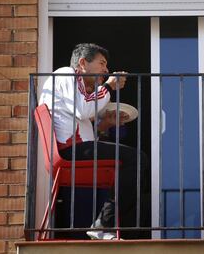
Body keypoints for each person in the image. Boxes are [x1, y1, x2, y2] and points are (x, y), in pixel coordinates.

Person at [39, 43, 150, 240]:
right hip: (70, 151)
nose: (106, 70)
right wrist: (109, 85)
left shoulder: (72, 85)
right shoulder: (67, 73)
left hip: (73, 148)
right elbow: (84, 110)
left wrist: (105, 124)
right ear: (82, 63)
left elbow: (81, 124)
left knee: (129, 164)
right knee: (136, 159)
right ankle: (105, 225)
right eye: (102, 63)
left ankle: (106, 225)